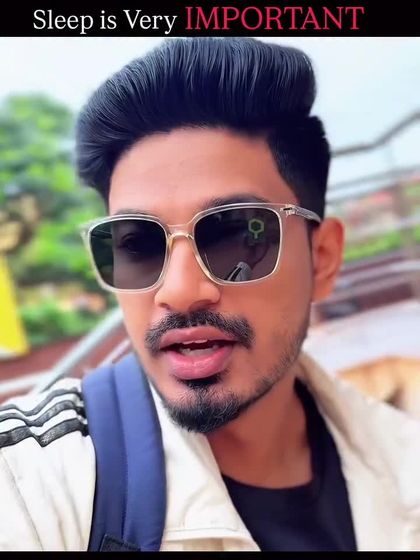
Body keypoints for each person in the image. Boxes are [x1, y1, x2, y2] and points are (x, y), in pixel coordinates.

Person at [1, 37, 420, 552]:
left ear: (323, 259)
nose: (179, 291)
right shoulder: (35, 482)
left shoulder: (403, 461)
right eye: (137, 242)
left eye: (235, 234)